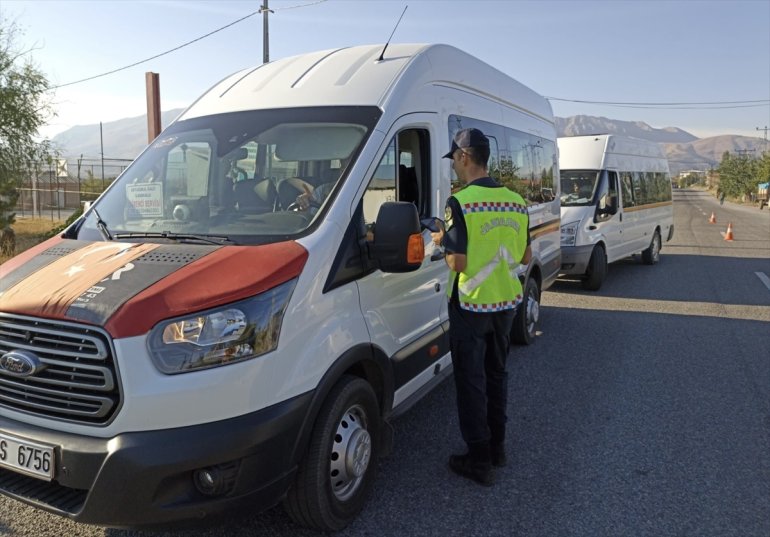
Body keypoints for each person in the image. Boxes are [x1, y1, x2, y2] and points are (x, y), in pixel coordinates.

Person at [431, 128, 531, 486]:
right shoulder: (516, 201)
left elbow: (457, 262)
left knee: (471, 381)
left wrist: (442, 241)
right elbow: (525, 256)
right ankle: (498, 448)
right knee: (497, 375)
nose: (454, 167)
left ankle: (478, 459)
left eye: (454, 160)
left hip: (470, 306)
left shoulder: (459, 202)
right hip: (506, 304)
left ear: (464, 157)